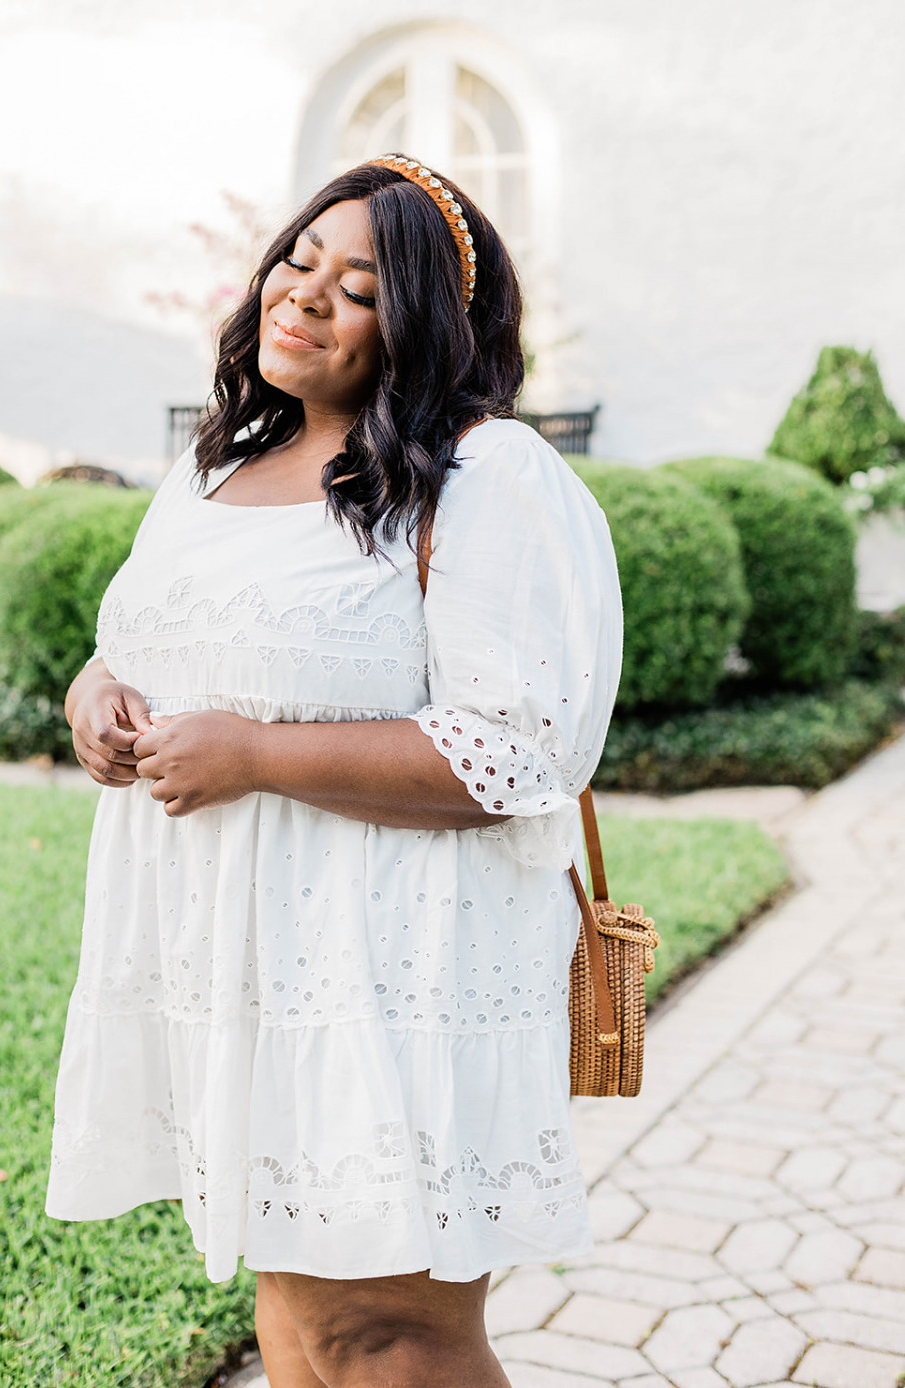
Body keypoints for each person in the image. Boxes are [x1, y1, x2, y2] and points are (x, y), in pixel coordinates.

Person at [47, 155, 623, 1388]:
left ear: (421, 328)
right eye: (297, 262)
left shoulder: (483, 475)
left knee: (388, 1333)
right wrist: (94, 698)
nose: (302, 295)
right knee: (302, 1322)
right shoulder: (209, 471)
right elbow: (133, 644)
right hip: (238, 974)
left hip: (389, 973)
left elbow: (513, 750)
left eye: (357, 287)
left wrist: (253, 755)